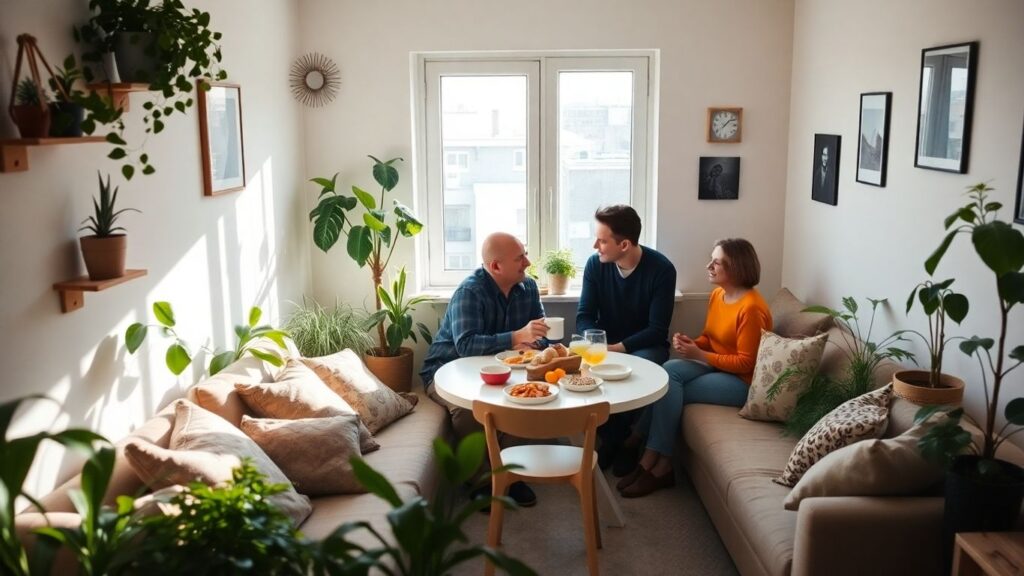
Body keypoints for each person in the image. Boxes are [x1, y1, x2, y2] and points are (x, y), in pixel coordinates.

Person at [616, 238, 771, 498]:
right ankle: (648, 453)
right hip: (718, 368)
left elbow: (747, 362)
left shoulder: (752, 308)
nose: (708, 265)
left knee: (671, 388)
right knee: (668, 373)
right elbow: (711, 338)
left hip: (743, 382)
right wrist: (692, 342)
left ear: (736, 268)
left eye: (716, 262)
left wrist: (699, 354)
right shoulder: (719, 295)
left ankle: (655, 461)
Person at [420, 231, 549, 507]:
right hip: (447, 372)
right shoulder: (470, 291)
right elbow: (466, 345)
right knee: (470, 411)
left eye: (524, 254)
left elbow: (542, 334)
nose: (527, 262)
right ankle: (483, 479)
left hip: (503, 373)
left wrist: (535, 344)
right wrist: (516, 337)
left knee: (525, 401)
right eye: (520, 258)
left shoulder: (530, 288)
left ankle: (511, 475)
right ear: (496, 267)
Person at [576, 205, 677, 474]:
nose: (595, 245)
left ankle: (622, 443)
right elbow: (584, 315)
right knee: (591, 367)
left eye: (602, 240)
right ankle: (615, 440)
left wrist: (618, 349)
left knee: (637, 370)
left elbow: (657, 330)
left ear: (624, 244)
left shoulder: (662, 270)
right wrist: (595, 343)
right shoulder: (594, 265)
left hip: (645, 346)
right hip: (605, 344)